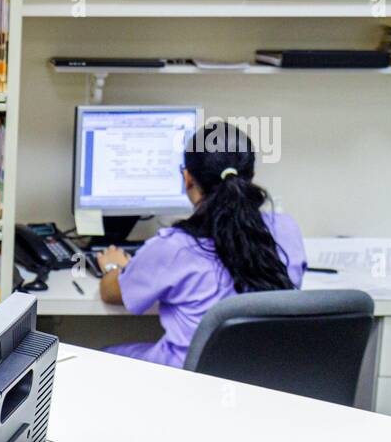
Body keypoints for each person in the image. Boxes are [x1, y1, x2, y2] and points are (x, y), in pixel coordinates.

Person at [98, 120, 305, 367]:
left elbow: (112, 293)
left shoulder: (174, 247)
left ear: (187, 179)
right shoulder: (286, 229)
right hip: (262, 379)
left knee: (101, 356)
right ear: (251, 177)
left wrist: (114, 267)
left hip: (186, 382)